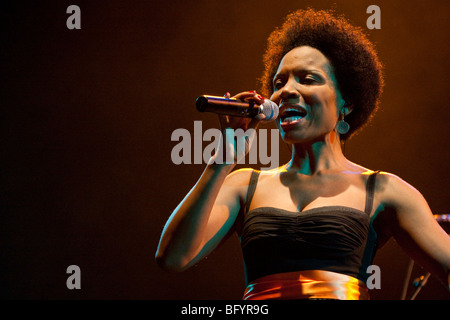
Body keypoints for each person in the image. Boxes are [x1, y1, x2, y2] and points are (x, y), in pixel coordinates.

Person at [155, 8, 450, 300]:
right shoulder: (244, 185)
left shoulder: (383, 190)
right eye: (279, 83)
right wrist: (224, 157)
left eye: (307, 79)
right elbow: (172, 258)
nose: (285, 91)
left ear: (346, 102)